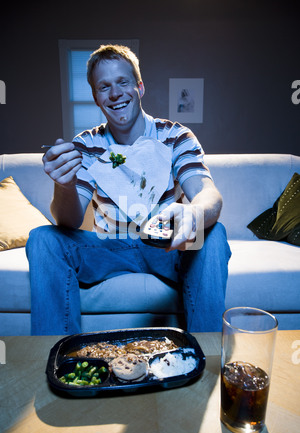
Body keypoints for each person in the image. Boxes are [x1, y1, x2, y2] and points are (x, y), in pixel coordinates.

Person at [26, 44, 231, 335]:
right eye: (104, 87)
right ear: (96, 98)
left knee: (214, 233)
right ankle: (56, 358)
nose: (115, 93)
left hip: (167, 247)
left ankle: (206, 355)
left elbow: (208, 193)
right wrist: (64, 183)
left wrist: (195, 212)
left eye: (123, 82)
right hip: (109, 248)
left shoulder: (175, 136)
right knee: (43, 238)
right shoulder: (86, 145)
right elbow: (68, 222)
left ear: (140, 87)